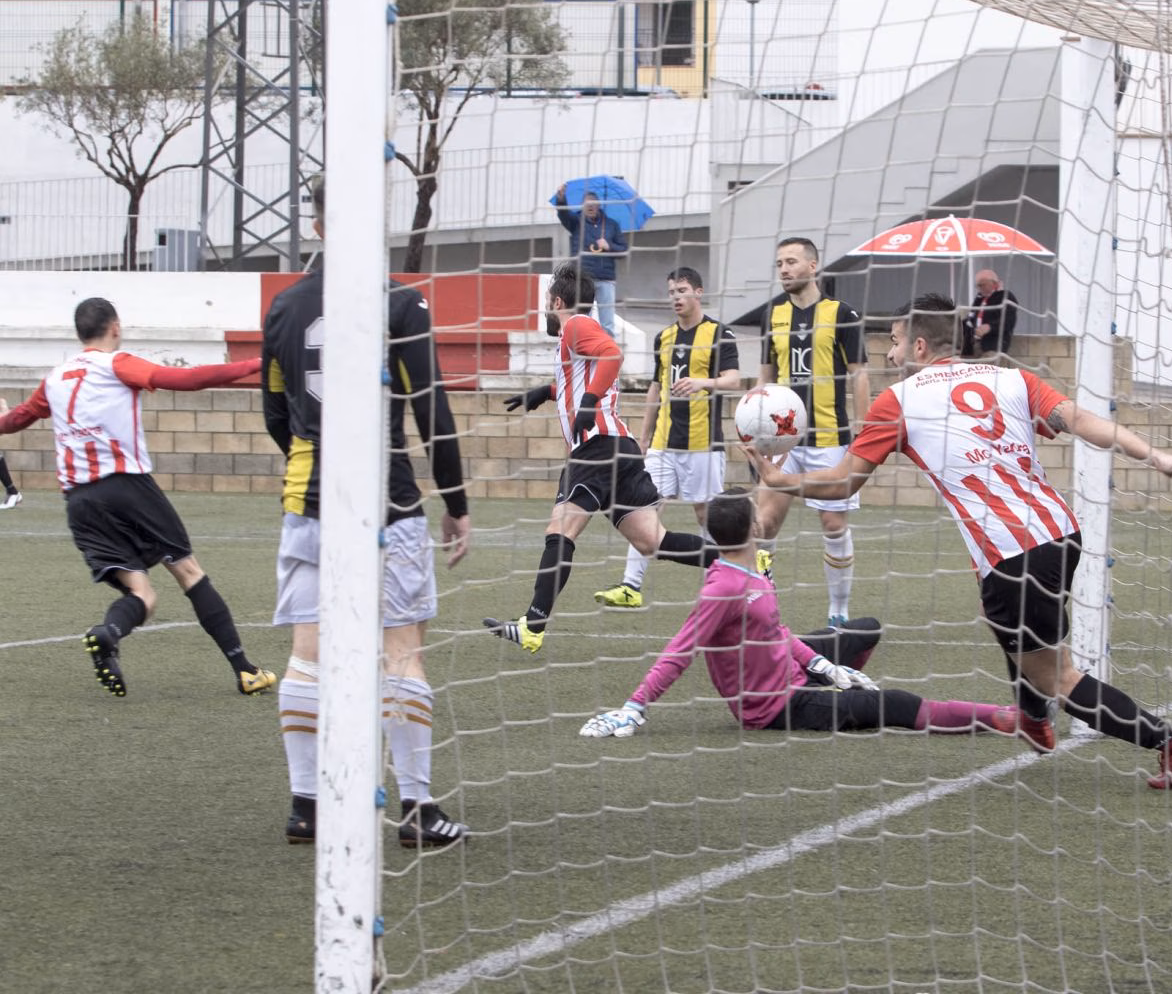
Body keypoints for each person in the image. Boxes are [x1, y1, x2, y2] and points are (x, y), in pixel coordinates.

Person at [746, 293, 1172, 789]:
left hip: (1011, 551)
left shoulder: (898, 400)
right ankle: (1033, 717)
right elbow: (1079, 422)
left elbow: (842, 483)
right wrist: (1154, 454)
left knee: (1058, 677)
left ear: (920, 345)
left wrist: (779, 481)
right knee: (1007, 623)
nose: (890, 354)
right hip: (1059, 530)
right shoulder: (1010, 377)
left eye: (897, 342)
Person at [262, 175, 472, 848]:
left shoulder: (284, 308)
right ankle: (415, 809)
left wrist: (313, 459)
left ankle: (307, 806)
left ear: (318, 226)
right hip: (389, 502)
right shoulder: (401, 303)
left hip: (310, 501)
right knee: (402, 653)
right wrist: (456, 503)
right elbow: (431, 410)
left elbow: (275, 412)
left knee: (307, 656)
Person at [581, 489, 1031, 740]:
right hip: (774, 705)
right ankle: (1000, 716)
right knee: (891, 704)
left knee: (864, 630)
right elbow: (679, 652)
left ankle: (836, 681)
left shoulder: (749, 569)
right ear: (754, 527)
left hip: (791, 670)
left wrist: (821, 664)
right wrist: (634, 707)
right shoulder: (724, 587)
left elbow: (776, 630)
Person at [0, 297, 275, 699]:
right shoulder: (117, 363)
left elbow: (15, 420)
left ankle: (107, 634)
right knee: (189, 572)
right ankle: (245, 670)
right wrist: (257, 364)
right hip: (126, 486)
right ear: (115, 326)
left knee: (141, 593)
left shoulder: (55, 378)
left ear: (80, 333)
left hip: (79, 500)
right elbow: (190, 379)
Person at [487, 263, 720, 653]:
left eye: (548, 302)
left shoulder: (576, 325)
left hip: (596, 448)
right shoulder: (575, 335)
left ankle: (533, 625)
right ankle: (744, 558)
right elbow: (583, 371)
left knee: (560, 531)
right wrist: (544, 392)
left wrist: (589, 403)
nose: (546, 308)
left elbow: (612, 355)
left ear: (557, 301)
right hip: (620, 449)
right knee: (653, 541)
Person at [595, 266, 741, 608]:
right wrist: (643, 439)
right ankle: (631, 586)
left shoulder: (720, 334)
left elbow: (733, 379)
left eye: (682, 290)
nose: (676, 297)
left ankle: (719, 587)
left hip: (703, 444)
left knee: (706, 516)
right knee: (644, 510)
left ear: (699, 292)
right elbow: (656, 389)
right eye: (672, 292)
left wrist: (703, 383)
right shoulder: (664, 338)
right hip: (663, 443)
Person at [757, 236, 869, 626]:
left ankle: (838, 611)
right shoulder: (773, 314)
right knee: (764, 523)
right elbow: (766, 377)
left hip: (830, 436)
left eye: (791, 261)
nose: (784, 269)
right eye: (779, 263)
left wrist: (865, 429)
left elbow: (859, 375)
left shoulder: (842, 313)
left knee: (833, 524)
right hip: (783, 438)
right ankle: (762, 609)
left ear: (813, 266)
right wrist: (756, 423)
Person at [552, 183, 629, 337]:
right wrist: (561, 200)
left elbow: (624, 251)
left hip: (606, 279)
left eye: (594, 203)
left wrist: (609, 246)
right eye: (587, 203)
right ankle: (584, 352)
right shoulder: (575, 222)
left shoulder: (612, 225)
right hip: (583, 278)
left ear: (599, 205)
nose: (591, 206)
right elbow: (563, 215)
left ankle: (607, 354)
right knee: (584, 319)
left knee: (607, 322)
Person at [962, 269, 1019, 357]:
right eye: (977, 285)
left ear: (994, 283)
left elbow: (1009, 321)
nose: (979, 288)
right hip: (972, 345)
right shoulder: (979, 298)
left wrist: (990, 327)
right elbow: (971, 318)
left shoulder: (1005, 297)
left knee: (985, 369)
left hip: (993, 346)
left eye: (982, 285)